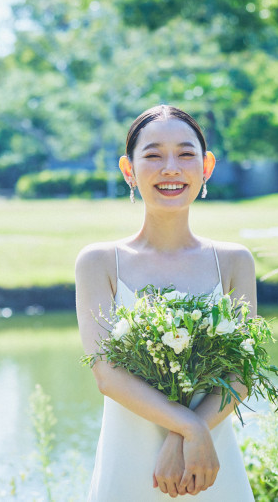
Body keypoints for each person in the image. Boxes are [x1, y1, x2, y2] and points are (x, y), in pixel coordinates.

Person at [75, 105, 257, 500]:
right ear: (129, 169)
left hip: (207, 461)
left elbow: (242, 375)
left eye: (186, 154)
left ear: (206, 166)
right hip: (132, 459)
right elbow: (106, 374)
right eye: (153, 155)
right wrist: (190, 428)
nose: (171, 168)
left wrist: (189, 438)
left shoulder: (234, 261)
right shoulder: (99, 262)